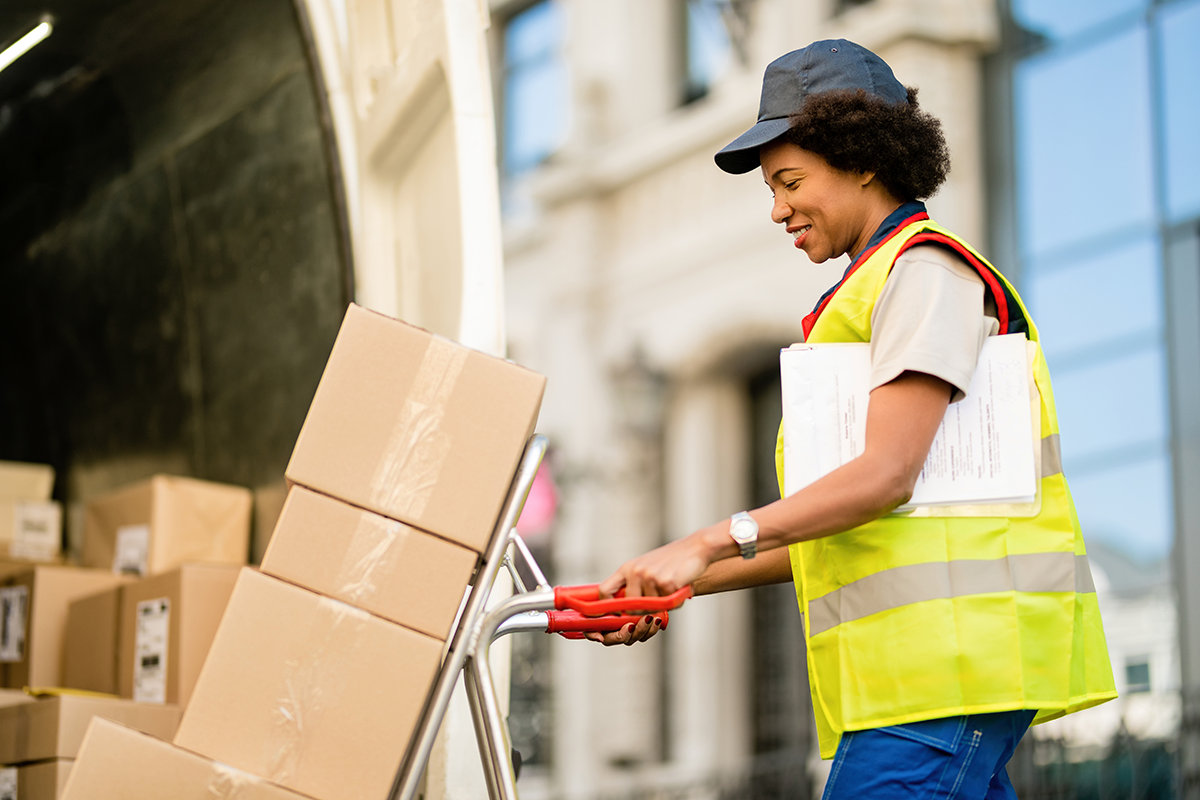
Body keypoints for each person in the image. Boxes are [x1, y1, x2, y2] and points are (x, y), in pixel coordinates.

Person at [589, 40, 1116, 800]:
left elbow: (885, 475)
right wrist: (682, 579)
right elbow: (836, 527)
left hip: (949, 677)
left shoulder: (924, 272)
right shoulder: (873, 292)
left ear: (864, 158)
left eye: (790, 181)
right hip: (924, 684)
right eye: (771, 190)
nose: (777, 210)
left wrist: (705, 540)